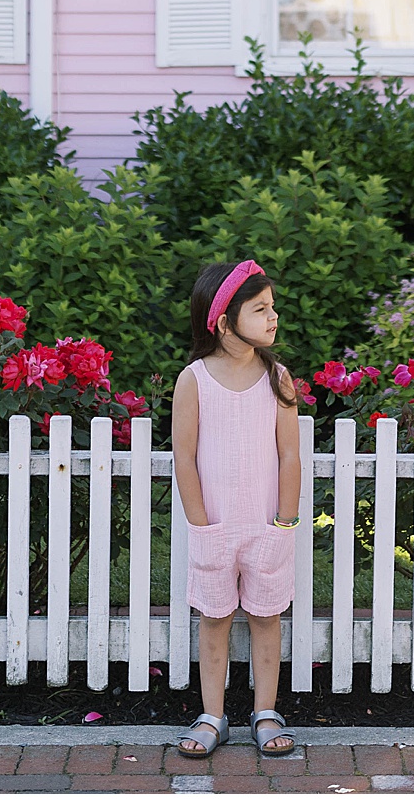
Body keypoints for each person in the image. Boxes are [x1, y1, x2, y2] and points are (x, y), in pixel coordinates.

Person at [171, 260, 301, 758]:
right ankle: (213, 716)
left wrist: (284, 521)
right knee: (215, 617)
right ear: (224, 321)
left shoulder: (278, 378)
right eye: (261, 309)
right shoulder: (194, 380)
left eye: (273, 308)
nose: (273, 317)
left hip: (267, 524)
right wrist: (201, 524)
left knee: (268, 617)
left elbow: (289, 452)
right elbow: (184, 455)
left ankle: (265, 712)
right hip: (215, 527)